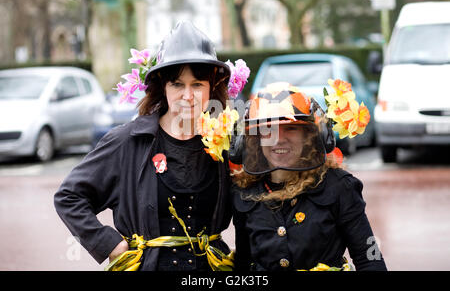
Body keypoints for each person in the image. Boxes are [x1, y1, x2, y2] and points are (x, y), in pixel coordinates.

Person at [54, 21, 234, 271]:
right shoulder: (127, 141)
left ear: (212, 85)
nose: (188, 96)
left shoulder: (227, 141)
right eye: (177, 84)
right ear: (163, 85)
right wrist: (107, 243)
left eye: (197, 85)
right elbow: (69, 196)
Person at [230, 82, 387, 271]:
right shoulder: (245, 194)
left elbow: (370, 258)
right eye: (268, 129)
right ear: (256, 139)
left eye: (291, 128)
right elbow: (243, 265)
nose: (279, 138)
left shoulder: (339, 187)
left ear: (309, 136)